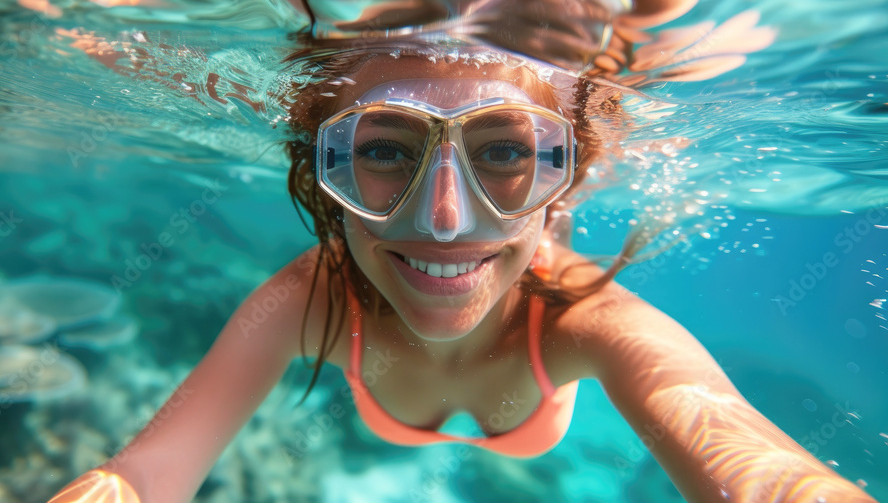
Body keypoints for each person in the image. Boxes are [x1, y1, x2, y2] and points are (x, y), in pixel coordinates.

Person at [46, 39, 877, 503]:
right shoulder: (308, 298)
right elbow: (143, 476)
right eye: (383, 150)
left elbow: (752, 462)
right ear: (323, 174)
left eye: (507, 152)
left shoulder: (590, 320)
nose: (443, 218)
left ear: (566, 179)